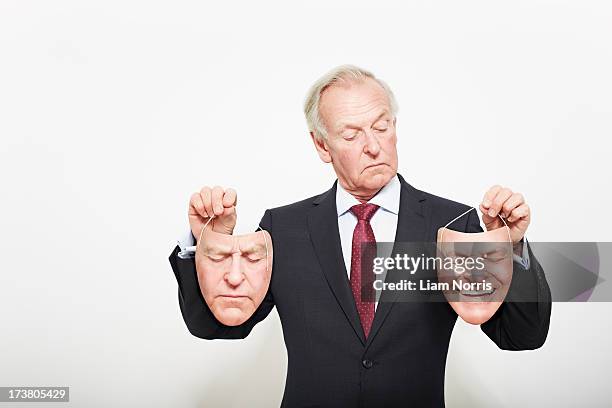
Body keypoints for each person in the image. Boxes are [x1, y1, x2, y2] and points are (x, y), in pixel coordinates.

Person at [168, 65, 552, 407]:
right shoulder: (282, 229)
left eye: (382, 127)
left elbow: (522, 335)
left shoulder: (455, 224)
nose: (373, 145)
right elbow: (215, 325)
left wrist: (512, 248)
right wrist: (207, 245)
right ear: (322, 145)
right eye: (351, 134)